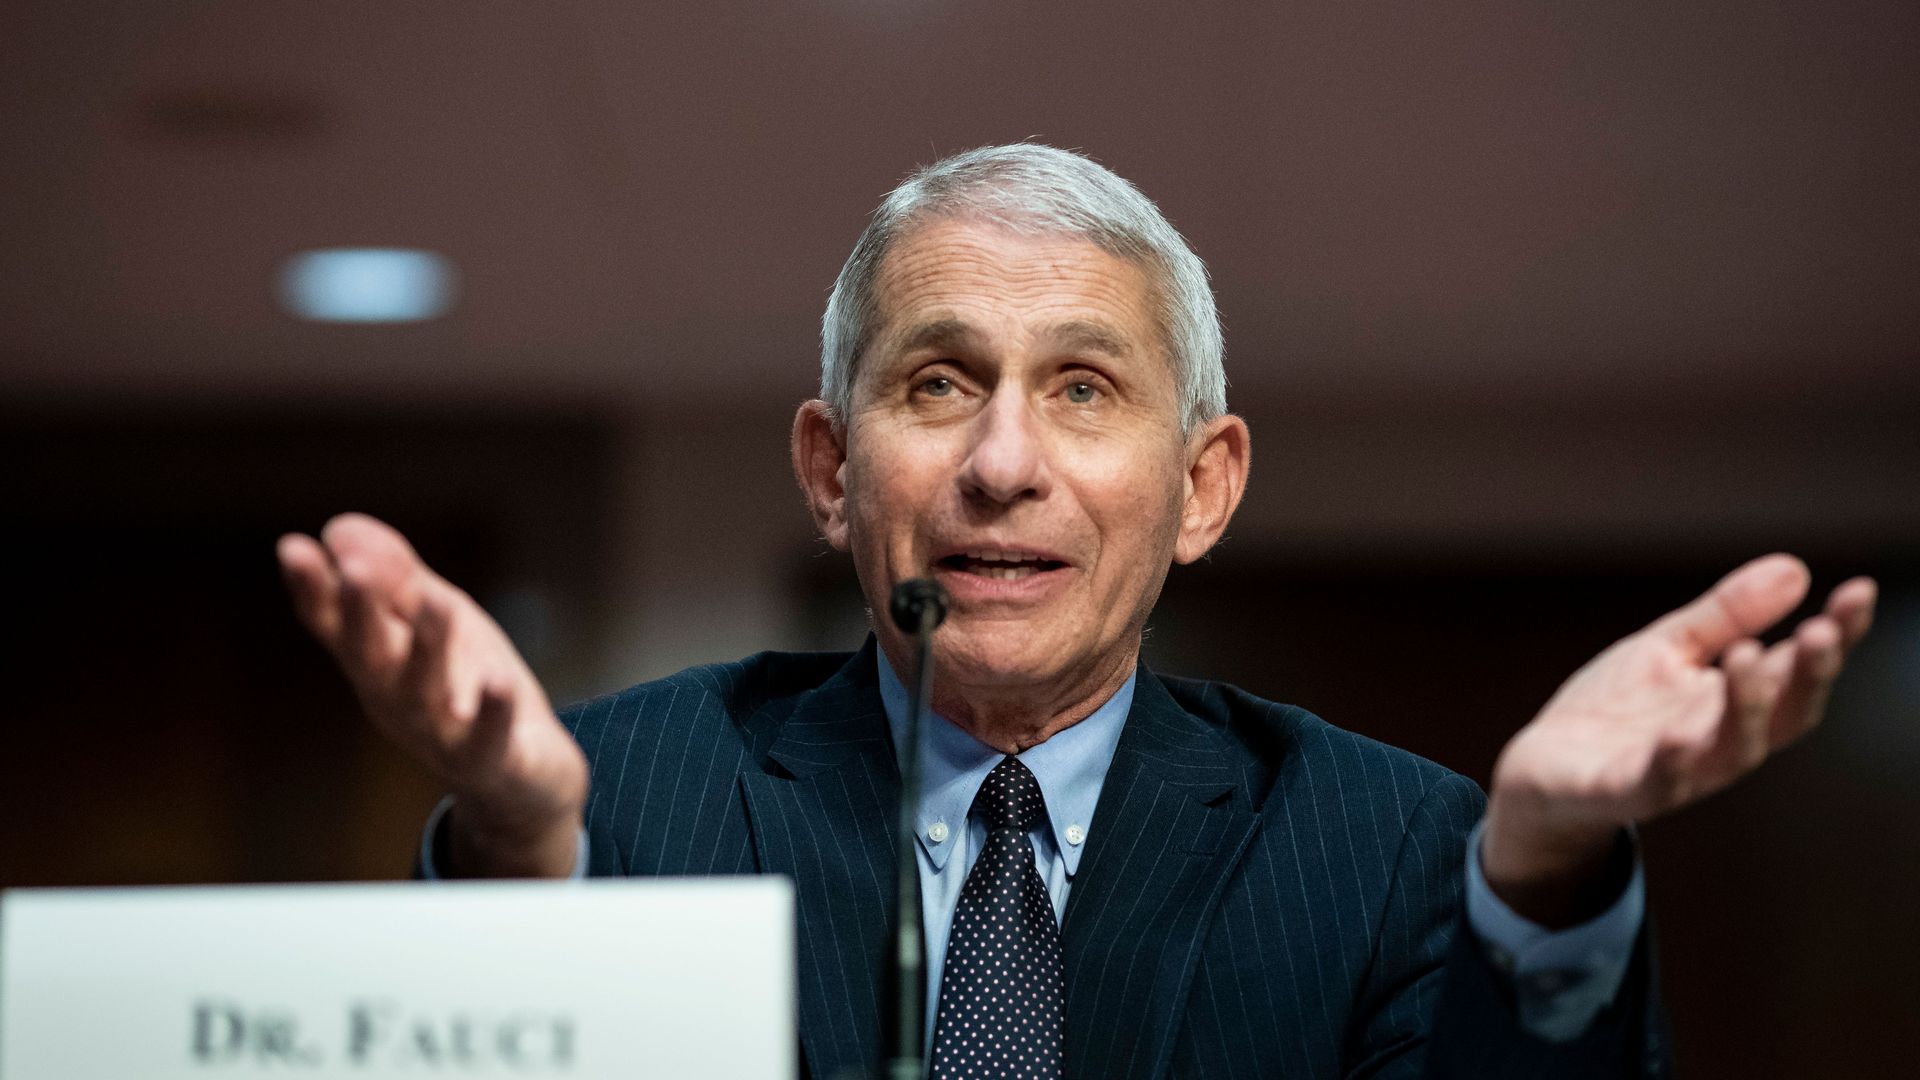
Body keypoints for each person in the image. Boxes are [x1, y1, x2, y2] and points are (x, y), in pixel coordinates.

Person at [277, 144, 1877, 1079]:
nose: (1002, 463)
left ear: (1204, 486)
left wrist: (1538, 875)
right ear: (831, 471)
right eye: (938, 382)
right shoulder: (623, 793)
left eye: (1084, 389)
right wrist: (514, 853)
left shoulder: (1393, 850)